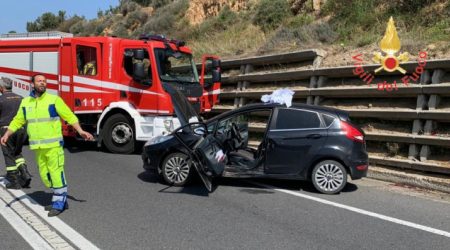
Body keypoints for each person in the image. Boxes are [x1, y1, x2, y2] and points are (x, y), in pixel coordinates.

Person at [0, 74, 94, 217]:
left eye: (44, 81)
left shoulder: (54, 100)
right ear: (33, 84)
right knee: (45, 176)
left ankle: (59, 202)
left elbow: (69, 116)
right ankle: (60, 197)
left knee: (56, 173)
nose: (42, 83)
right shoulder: (26, 102)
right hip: (38, 148)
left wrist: (80, 131)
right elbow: (18, 120)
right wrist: (7, 134)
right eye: (39, 81)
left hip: (54, 146)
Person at [0, 77, 31, 189]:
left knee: (8, 154)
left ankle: (14, 180)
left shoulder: (1, 99)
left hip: (7, 130)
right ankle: (24, 173)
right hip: (22, 130)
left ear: (1, 88)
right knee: (17, 152)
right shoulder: (21, 98)